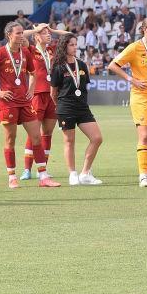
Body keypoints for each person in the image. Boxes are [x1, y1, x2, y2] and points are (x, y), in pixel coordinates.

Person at [0, 22, 48, 189]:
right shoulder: (0, 53)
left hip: (25, 101)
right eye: (18, 33)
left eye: (22, 33)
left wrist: (31, 88)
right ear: (9, 35)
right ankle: (12, 176)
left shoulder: (25, 52)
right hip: (8, 102)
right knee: (10, 139)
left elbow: (33, 73)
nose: (21, 35)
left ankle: (43, 176)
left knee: (36, 137)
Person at [108, 18, 147, 187]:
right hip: (141, 97)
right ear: (144, 30)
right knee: (144, 136)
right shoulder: (134, 47)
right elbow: (113, 65)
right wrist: (131, 79)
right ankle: (143, 175)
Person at [50, 34, 103, 185]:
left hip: (82, 108)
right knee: (69, 141)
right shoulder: (58, 67)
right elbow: (53, 93)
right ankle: (72, 174)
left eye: (75, 44)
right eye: (71, 44)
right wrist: (60, 106)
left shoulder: (82, 65)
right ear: (64, 46)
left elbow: (84, 87)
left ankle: (85, 173)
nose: (74, 47)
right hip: (65, 108)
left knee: (97, 138)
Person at [21, 24, 70, 185]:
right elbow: (21, 36)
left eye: (48, 33)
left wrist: (53, 30)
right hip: (37, 95)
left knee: (47, 133)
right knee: (33, 132)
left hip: (53, 95)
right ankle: (27, 169)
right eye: (44, 33)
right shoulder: (30, 50)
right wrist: (36, 30)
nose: (48, 35)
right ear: (36, 36)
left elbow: (69, 35)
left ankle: (42, 169)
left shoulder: (52, 50)